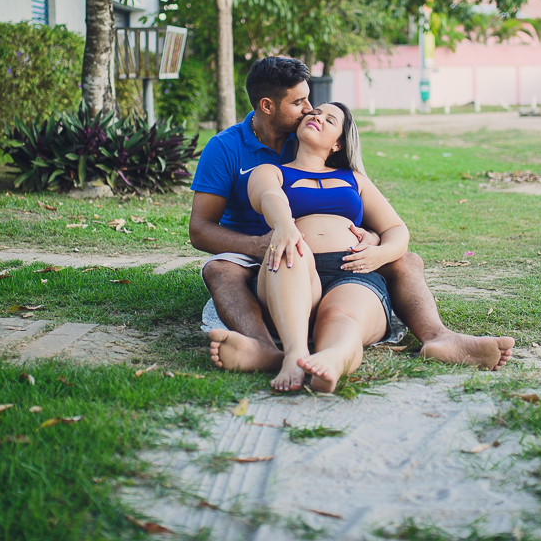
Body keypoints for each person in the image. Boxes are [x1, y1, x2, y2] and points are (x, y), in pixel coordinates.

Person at [190, 56, 515, 376]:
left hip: (342, 258)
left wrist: (373, 239)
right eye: (300, 103)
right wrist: (264, 241)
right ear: (267, 106)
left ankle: (439, 337)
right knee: (222, 269)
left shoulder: (315, 144)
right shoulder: (227, 149)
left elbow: (380, 220)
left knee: (407, 261)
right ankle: (264, 347)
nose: (309, 111)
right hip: (263, 250)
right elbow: (204, 228)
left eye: (314, 107)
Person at [243, 101, 427, 392]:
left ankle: (333, 359)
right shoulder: (272, 172)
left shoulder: (354, 179)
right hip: (295, 268)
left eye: (330, 120)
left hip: (352, 270)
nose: (317, 117)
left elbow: (396, 229)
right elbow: (268, 196)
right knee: (293, 251)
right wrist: (285, 227)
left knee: (343, 319)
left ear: (339, 143)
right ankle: (295, 353)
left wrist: (380, 252)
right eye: (315, 112)